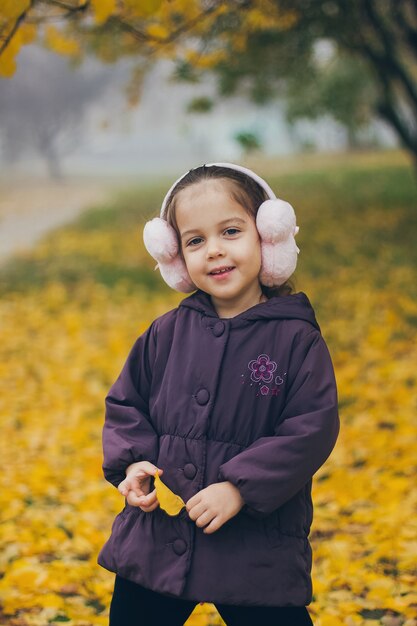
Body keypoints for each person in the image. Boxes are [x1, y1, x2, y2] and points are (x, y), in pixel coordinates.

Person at [97, 163, 340, 626]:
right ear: (175, 257)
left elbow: (311, 427)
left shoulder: (295, 340)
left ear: (268, 238)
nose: (214, 251)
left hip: (255, 543)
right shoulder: (165, 334)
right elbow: (126, 404)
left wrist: (239, 487)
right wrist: (133, 464)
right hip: (160, 536)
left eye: (230, 231)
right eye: (194, 241)